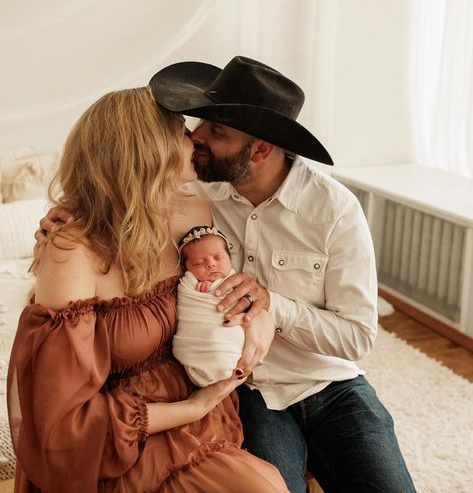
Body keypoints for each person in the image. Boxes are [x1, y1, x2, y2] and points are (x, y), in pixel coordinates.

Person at [37, 57, 416, 493]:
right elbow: (126, 188)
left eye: (217, 132)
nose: (196, 137)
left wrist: (273, 306)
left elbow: (357, 338)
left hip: (328, 384)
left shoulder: (333, 211)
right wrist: (70, 214)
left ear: (260, 150)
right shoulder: (198, 193)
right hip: (244, 389)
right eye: (199, 125)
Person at [7, 87, 289, 492]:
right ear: (146, 150)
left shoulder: (193, 211)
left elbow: (211, 290)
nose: (193, 139)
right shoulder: (72, 250)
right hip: (114, 441)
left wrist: (258, 314)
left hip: (198, 414)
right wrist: (191, 407)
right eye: (179, 131)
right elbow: (64, 422)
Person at [173, 225, 248, 388]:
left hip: (227, 341)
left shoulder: (238, 282)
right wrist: (200, 287)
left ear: (230, 258)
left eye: (218, 257)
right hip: (197, 341)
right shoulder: (189, 286)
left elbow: (247, 307)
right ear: (187, 269)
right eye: (199, 263)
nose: (211, 265)